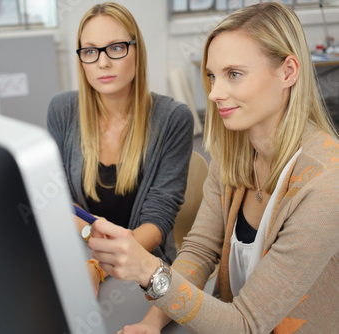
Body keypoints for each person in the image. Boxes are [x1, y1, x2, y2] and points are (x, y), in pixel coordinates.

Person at [88, 2, 339, 333]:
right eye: (211, 76)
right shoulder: (233, 155)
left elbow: (247, 324)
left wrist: (150, 271)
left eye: (233, 74)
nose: (215, 93)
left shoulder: (325, 183)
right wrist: (151, 324)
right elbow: (200, 250)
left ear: (288, 72)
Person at [47, 2, 193, 295]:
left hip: (143, 267)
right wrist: (92, 236)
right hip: (78, 253)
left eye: (115, 48)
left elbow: (157, 220)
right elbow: (58, 196)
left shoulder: (173, 119)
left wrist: (100, 267)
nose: (102, 63)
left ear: (137, 50)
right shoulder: (62, 109)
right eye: (90, 51)